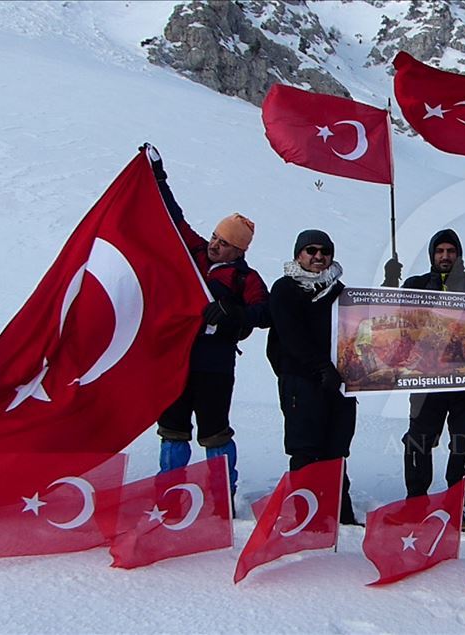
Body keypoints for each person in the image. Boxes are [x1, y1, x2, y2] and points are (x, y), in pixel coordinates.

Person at [144, 144, 269, 503]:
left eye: (225, 243)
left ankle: (221, 500)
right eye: (215, 237)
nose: (216, 245)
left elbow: (265, 313)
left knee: (214, 433)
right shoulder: (197, 251)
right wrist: (158, 175)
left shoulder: (247, 278)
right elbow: (174, 219)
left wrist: (234, 315)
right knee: (172, 430)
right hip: (177, 360)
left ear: (240, 250)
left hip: (214, 365)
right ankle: (167, 496)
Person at [383, 230, 465, 531]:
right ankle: (416, 501)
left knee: (463, 443)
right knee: (418, 441)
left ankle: (455, 503)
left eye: (450, 251)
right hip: (425, 383)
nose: (445, 256)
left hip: (464, 383)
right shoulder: (416, 285)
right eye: (439, 251)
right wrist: (391, 282)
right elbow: (390, 315)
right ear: (432, 254)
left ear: (458, 254)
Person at [266, 230, 361, 525]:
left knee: (336, 450)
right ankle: (304, 517)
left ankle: (339, 515)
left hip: (339, 382)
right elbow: (291, 336)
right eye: (311, 250)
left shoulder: (343, 292)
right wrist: (320, 367)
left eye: (324, 251)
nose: (318, 256)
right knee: (306, 450)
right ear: (299, 255)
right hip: (301, 381)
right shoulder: (285, 289)